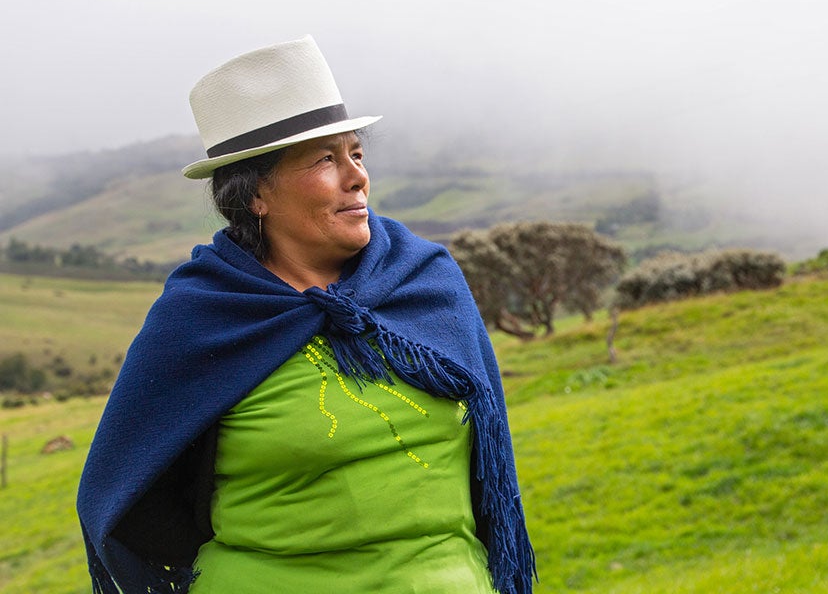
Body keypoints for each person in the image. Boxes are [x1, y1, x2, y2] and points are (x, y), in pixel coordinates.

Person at [77, 35, 536, 594]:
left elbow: (490, 464)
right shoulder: (201, 316)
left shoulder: (424, 281)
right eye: (325, 159)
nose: (356, 176)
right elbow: (121, 490)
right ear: (255, 195)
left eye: (356, 154)